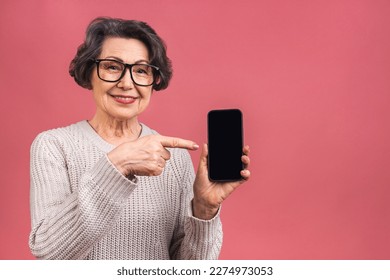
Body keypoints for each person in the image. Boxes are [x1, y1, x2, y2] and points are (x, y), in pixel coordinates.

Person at [29, 17, 251, 260]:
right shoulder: (54, 146)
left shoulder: (174, 158)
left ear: (153, 81)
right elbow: (48, 254)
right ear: (89, 72)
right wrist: (117, 165)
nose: (127, 83)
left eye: (141, 71)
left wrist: (204, 210)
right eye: (112, 67)